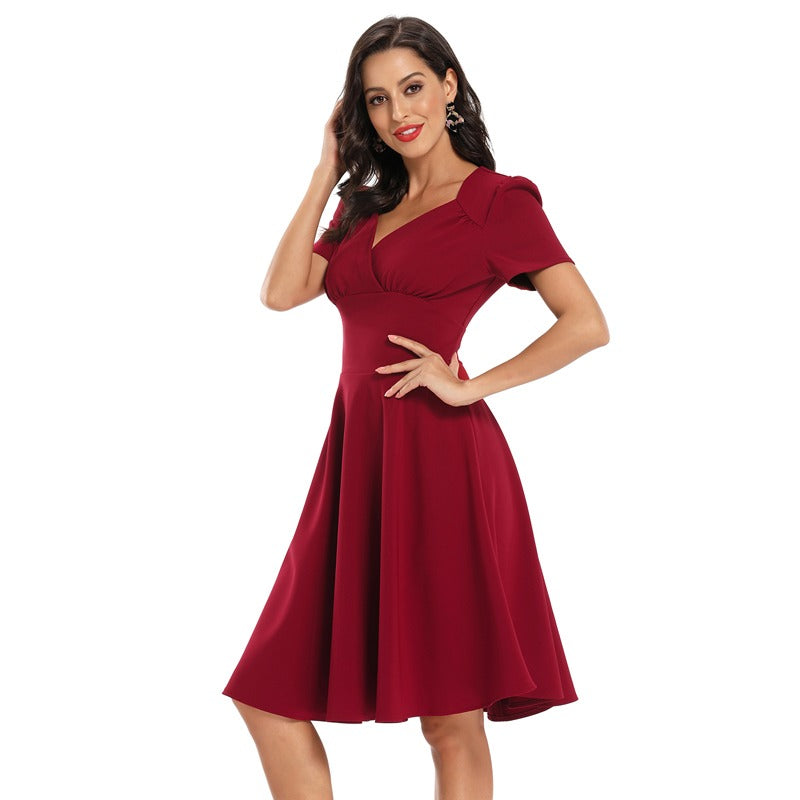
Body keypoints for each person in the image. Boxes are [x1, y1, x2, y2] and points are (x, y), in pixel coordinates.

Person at [222, 15, 609, 800]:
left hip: (442, 461)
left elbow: (586, 323)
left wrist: (471, 384)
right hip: (355, 461)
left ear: (448, 86)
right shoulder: (363, 202)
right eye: (376, 99)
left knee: (449, 719)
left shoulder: (497, 202)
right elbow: (282, 292)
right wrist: (326, 168)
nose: (398, 111)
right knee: (266, 694)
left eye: (412, 87)